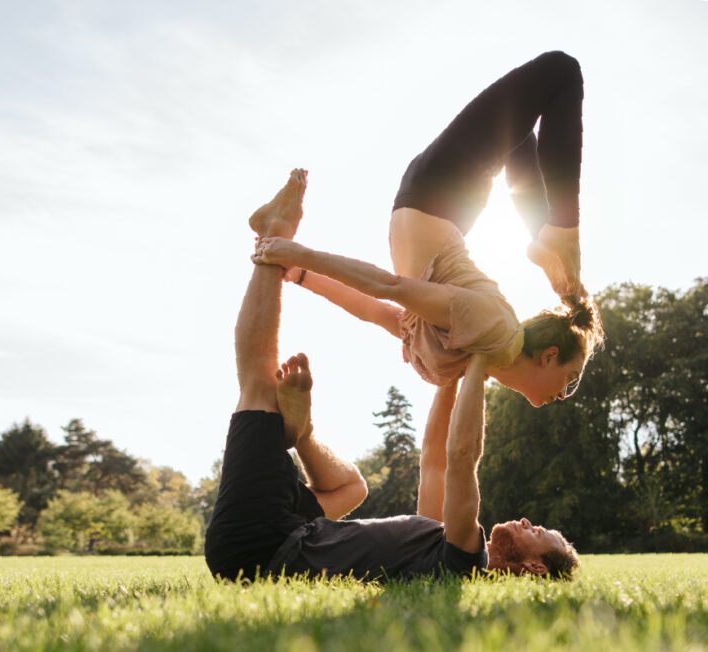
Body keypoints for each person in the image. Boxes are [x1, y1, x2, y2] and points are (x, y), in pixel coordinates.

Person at [204, 169, 579, 583]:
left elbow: (460, 460)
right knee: (353, 488)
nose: (530, 521)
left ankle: (273, 234)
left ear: (534, 566)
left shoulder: (464, 560)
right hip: (296, 530)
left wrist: (479, 360)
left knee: (259, 389)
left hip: (261, 546)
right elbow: (434, 463)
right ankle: (303, 433)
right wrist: (455, 372)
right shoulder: (443, 544)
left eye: (541, 533)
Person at [252, 51, 604, 410]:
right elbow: (390, 287)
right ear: (548, 356)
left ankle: (545, 232)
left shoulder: (469, 359)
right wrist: (298, 255)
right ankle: (556, 231)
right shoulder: (497, 329)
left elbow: (375, 312)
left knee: (527, 116)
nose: (563, 394)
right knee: (560, 73)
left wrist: (300, 275)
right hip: (441, 195)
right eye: (570, 380)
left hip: (432, 197)